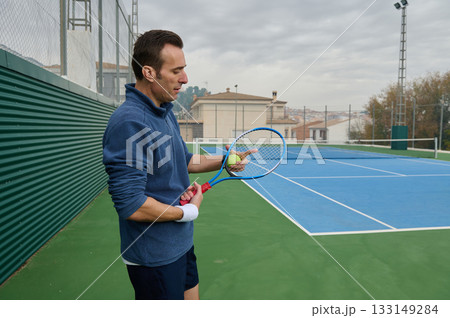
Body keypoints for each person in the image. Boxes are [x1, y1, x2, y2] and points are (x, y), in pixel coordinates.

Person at [102, 30, 245, 300]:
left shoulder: (165, 112)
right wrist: (186, 212)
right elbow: (131, 204)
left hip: (180, 244)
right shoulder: (130, 123)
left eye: (185, 69)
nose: (185, 79)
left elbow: (185, 160)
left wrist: (225, 161)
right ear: (149, 72)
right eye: (176, 70)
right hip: (154, 256)